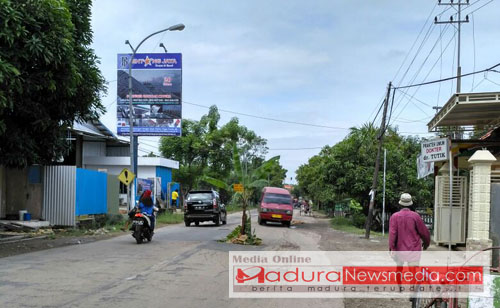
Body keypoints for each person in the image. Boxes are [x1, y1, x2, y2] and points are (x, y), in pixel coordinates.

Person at [389, 193, 430, 297]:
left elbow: (392, 234)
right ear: (410, 203)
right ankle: (413, 293)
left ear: (400, 203)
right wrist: (426, 243)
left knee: (399, 268)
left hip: (399, 248)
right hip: (413, 248)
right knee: (413, 271)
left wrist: (392, 248)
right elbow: (424, 232)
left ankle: (400, 288)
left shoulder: (394, 217)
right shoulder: (415, 216)